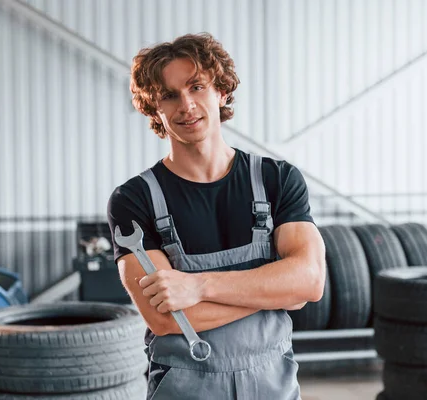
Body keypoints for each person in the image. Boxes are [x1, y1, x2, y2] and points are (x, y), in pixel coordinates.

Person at [107, 32, 326, 400]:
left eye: (197, 86)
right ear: (153, 109)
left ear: (221, 91)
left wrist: (198, 287)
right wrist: (277, 290)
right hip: (184, 388)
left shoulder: (277, 180)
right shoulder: (134, 200)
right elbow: (163, 319)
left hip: (273, 385)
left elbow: (309, 282)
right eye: (169, 95)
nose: (186, 104)